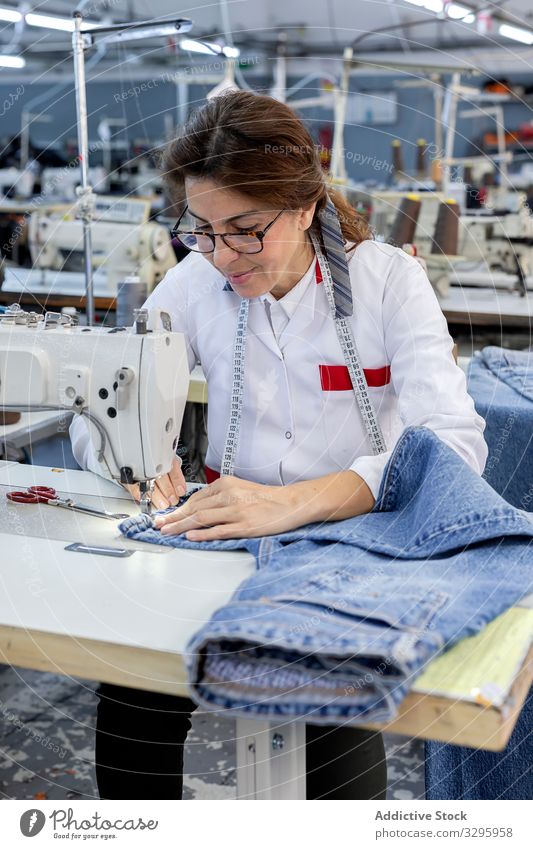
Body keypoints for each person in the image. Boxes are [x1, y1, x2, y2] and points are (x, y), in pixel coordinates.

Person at [70, 91, 488, 800]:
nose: (222, 253)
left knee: (330, 717)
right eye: (200, 229)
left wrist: (292, 504)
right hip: (222, 532)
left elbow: (452, 444)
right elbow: (99, 406)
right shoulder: (197, 280)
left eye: (244, 230)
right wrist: (134, 458)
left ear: (301, 204)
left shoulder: (387, 281)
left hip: (350, 542)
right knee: (133, 688)